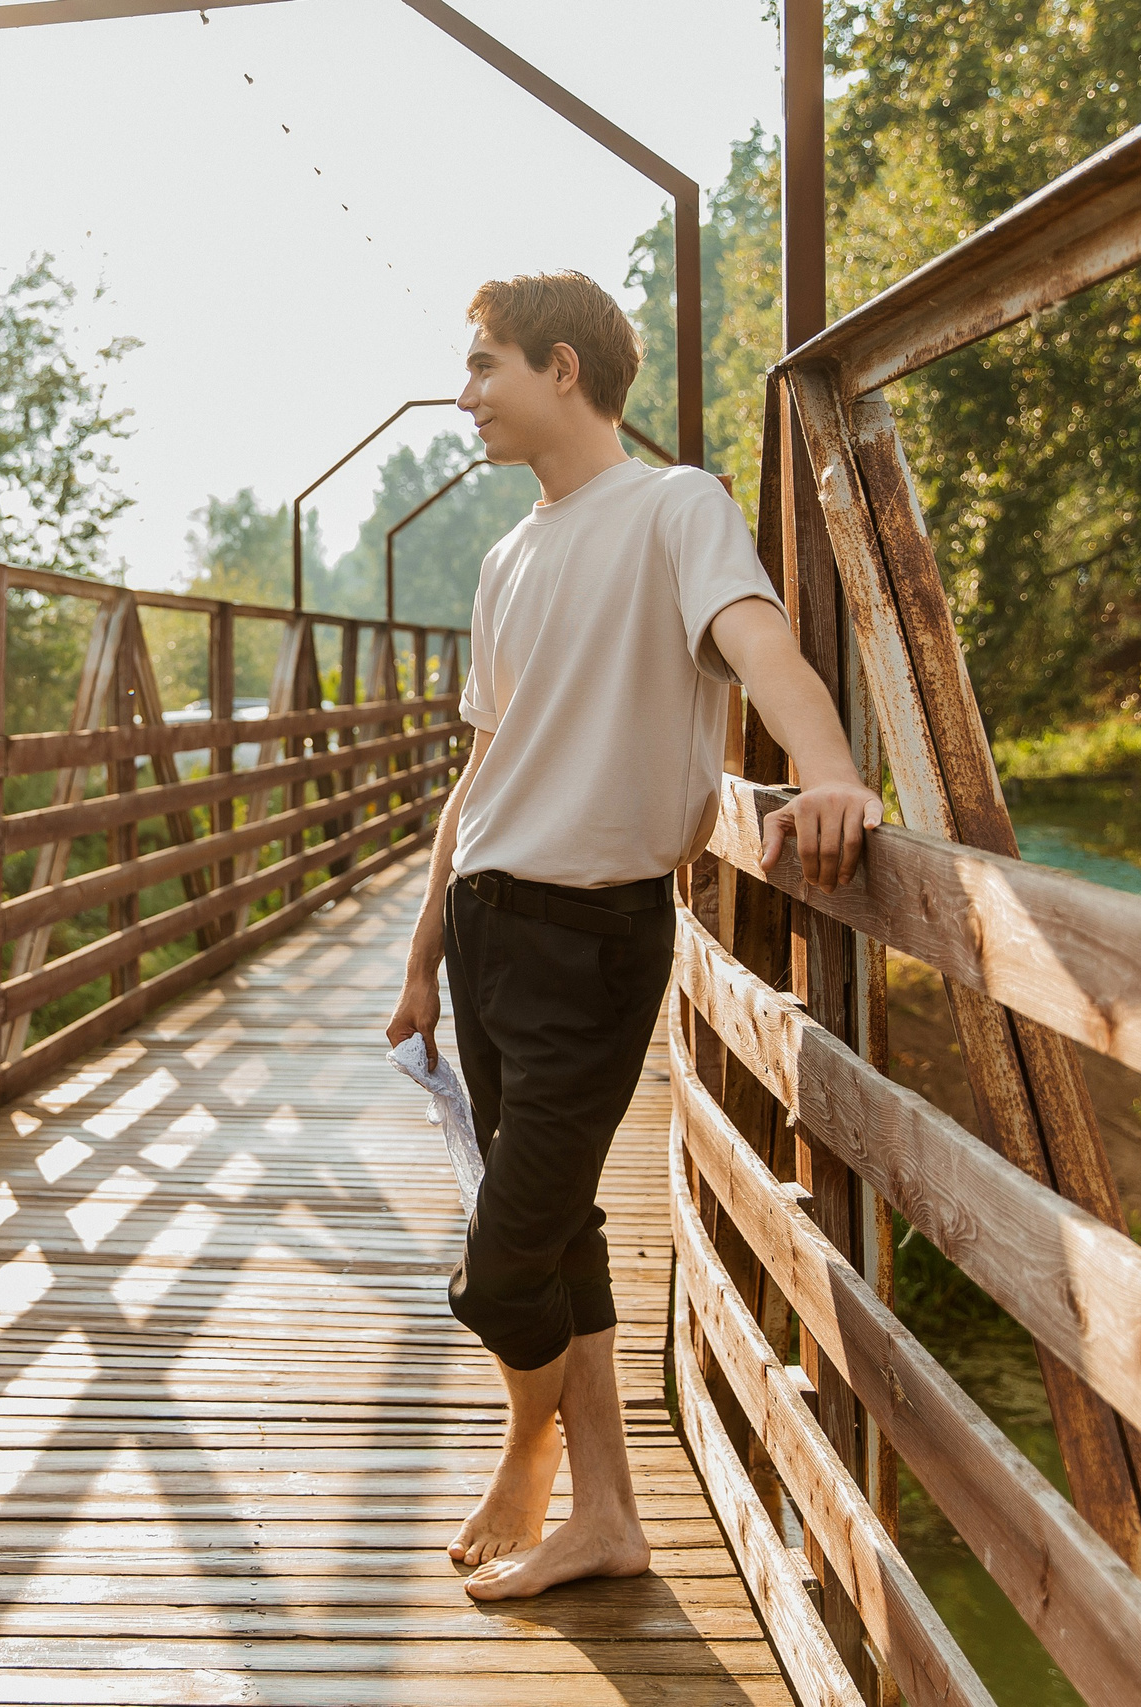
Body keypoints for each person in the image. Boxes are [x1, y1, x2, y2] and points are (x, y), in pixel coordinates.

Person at [385, 273, 880, 1600]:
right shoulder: (505, 556)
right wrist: (424, 951)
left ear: (561, 365)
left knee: (497, 1274)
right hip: (487, 928)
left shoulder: (675, 505)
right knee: (562, 1231)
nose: (466, 391)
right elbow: (481, 771)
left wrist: (825, 765)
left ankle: (525, 1449)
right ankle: (607, 1514)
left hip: (594, 940)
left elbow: (759, 641)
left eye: (482, 364)